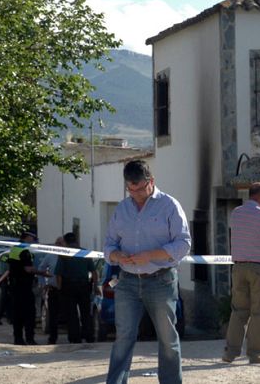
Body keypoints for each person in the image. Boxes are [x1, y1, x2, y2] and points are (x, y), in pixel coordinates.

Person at [104, 159, 191, 384]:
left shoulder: (170, 205)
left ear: (151, 181)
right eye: (130, 190)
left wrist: (151, 255)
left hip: (161, 281)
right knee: (123, 337)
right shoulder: (122, 209)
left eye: (140, 189)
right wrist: (117, 256)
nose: (136, 195)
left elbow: (183, 244)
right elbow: (109, 245)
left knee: (167, 338)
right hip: (127, 282)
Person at [222, 182, 260, 365]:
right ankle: (257, 353)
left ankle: (230, 352)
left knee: (238, 310)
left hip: (239, 268)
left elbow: (252, 230)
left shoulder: (237, 212)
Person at [7, 231, 48, 346]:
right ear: (27, 238)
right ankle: (30, 338)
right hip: (24, 287)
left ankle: (18, 338)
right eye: (32, 238)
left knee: (17, 314)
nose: (33, 240)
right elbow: (28, 269)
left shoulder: (14, 249)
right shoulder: (24, 251)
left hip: (15, 286)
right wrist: (42, 273)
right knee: (29, 313)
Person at [56, 232, 98, 344]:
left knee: (71, 313)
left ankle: (75, 337)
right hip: (84, 286)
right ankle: (89, 335)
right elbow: (94, 272)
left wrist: (59, 288)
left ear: (65, 242)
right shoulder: (84, 252)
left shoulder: (64, 254)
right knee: (85, 312)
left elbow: (58, 273)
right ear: (76, 240)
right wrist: (95, 286)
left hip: (68, 286)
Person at [38, 236, 64, 344]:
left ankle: (75, 337)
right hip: (54, 289)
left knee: (71, 314)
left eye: (61, 243)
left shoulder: (71, 256)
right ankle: (53, 338)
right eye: (57, 243)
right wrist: (44, 283)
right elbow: (41, 269)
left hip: (67, 290)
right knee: (53, 315)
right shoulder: (50, 256)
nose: (59, 245)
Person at [0, 251, 12, 325]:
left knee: (7, 299)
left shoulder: (3, 255)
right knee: (4, 299)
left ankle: (9, 318)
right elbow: (8, 271)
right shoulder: (11, 257)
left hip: (0, 278)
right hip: (5, 280)